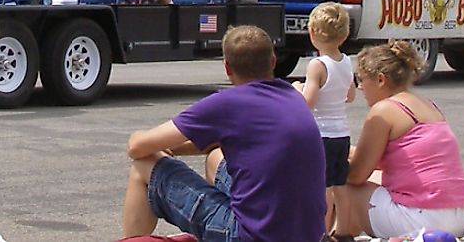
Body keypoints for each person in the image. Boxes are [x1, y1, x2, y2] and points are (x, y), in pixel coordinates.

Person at [121, 24, 326, 242]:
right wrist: (177, 148)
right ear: (273, 61)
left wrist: (145, 140)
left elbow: (138, 147)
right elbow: (222, 142)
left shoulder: (226, 103)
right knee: (215, 158)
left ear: (227, 67)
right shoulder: (293, 97)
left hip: (248, 236)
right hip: (307, 234)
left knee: (144, 165)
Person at [336, 41, 464, 240]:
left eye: (361, 80)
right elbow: (402, 158)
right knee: (374, 178)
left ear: (381, 80)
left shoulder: (385, 110)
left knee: (342, 186)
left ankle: (336, 234)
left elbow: (355, 175)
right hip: (459, 216)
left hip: (423, 219)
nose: (360, 88)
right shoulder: (428, 106)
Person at [293, 3, 355, 237]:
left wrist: (297, 89)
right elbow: (350, 95)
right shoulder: (346, 62)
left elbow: (307, 102)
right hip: (342, 132)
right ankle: (345, 231)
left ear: (312, 33)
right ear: (345, 34)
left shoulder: (317, 65)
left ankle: (322, 231)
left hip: (321, 134)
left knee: (322, 187)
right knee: (341, 185)